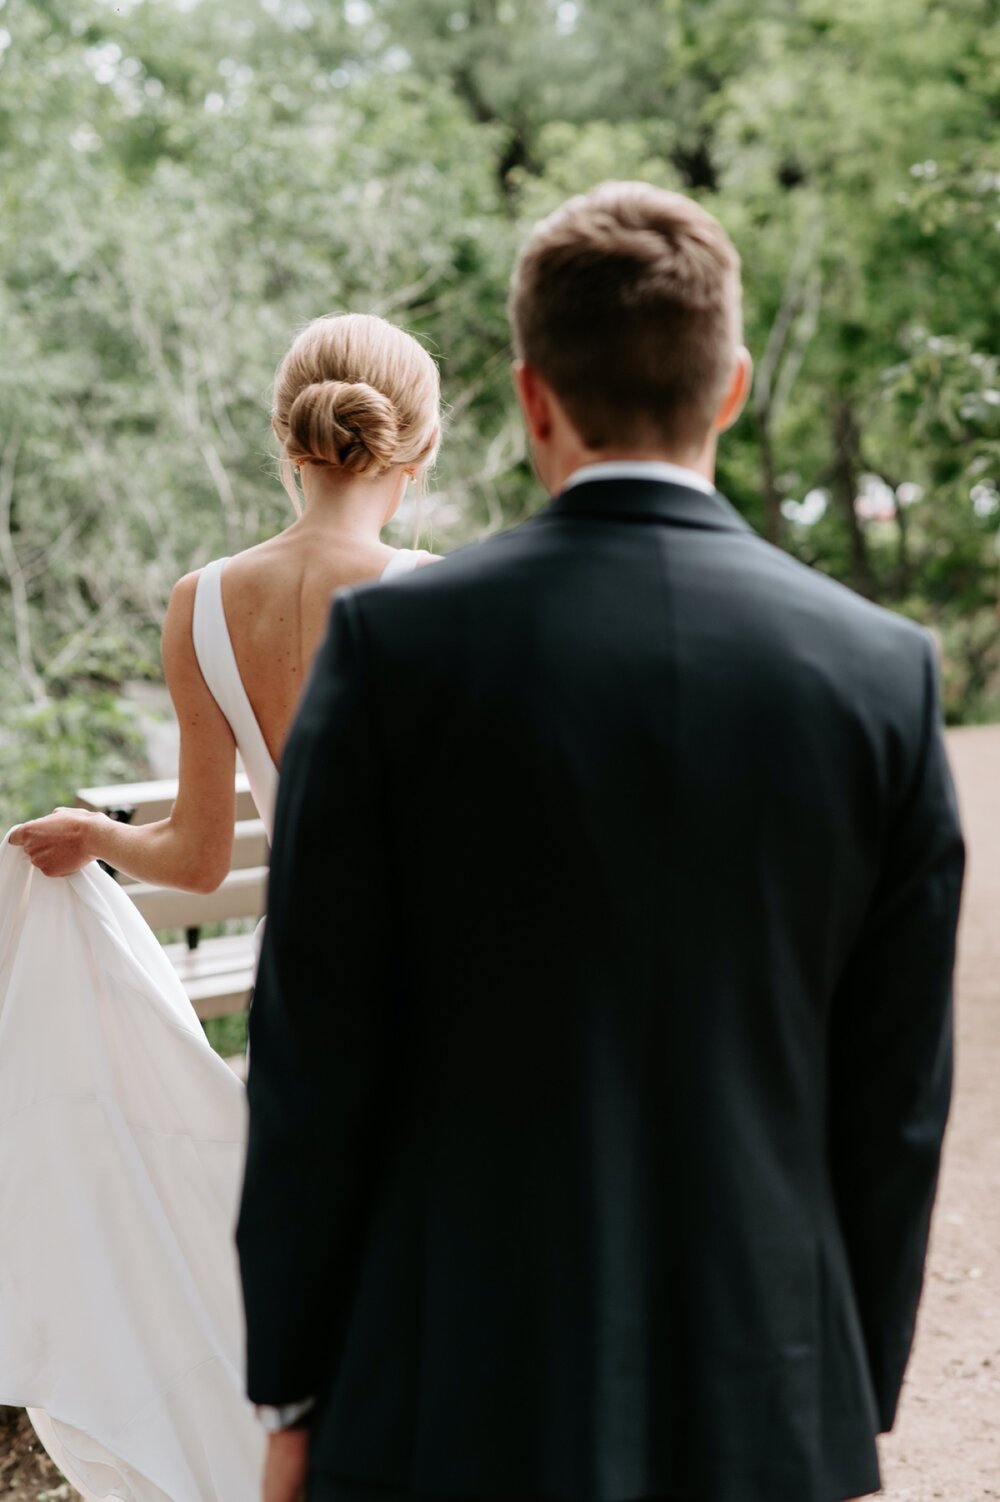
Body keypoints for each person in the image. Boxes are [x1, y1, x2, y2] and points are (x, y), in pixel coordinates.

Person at [238, 183, 965, 1502]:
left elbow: (313, 1054)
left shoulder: (397, 658)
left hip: (443, 1388)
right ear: (733, 387)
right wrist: (838, 1398)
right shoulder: (881, 675)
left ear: (531, 399)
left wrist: (293, 1384)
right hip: (766, 1396)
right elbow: (895, 1100)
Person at [1, 312, 442, 1501]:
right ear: (417, 451)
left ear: (285, 437)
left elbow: (196, 861)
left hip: (305, 992)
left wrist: (97, 834)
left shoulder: (203, 602)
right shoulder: (442, 597)